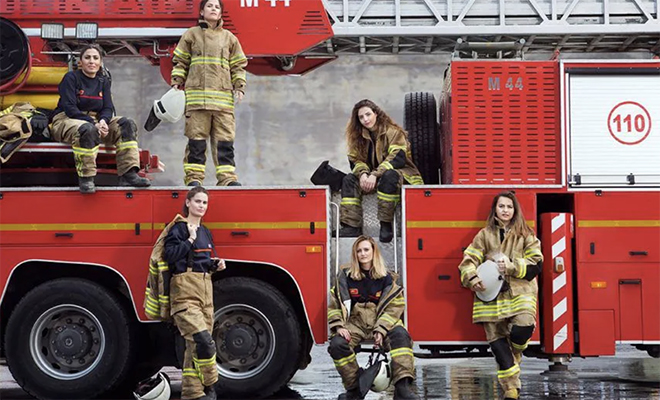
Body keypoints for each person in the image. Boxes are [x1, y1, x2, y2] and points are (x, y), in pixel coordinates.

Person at [458, 191, 544, 400]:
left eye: (509, 207)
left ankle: (517, 352)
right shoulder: (483, 235)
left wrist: (513, 267)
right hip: (489, 298)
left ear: (515, 211)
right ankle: (511, 390)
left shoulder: (526, 235)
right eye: (501, 206)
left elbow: (537, 264)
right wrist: (472, 278)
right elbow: (468, 260)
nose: (505, 210)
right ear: (495, 210)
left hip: (519, 294)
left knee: (523, 328)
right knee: (498, 346)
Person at [328, 236, 420, 400]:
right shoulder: (345, 278)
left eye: (366, 250)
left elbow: (395, 306)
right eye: (359, 251)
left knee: (401, 336)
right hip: (355, 323)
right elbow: (334, 305)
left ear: (373, 252)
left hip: (381, 320)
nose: (362, 254)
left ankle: (402, 388)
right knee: (337, 345)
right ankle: (355, 389)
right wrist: (339, 327)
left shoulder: (387, 278)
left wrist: (381, 328)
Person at [50, 44, 150, 194]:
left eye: (95, 58)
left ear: (100, 62)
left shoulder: (103, 81)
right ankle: (87, 178)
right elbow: (70, 108)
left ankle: (128, 174)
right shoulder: (71, 78)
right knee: (87, 129)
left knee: (126, 124)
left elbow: (108, 107)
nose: (92, 61)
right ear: (80, 62)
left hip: (96, 120)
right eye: (87, 57)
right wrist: (93, 123)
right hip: (67, 119)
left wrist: (103, 121)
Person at [170, 0, 248, 187]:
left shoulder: (230, 38)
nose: (213, 9)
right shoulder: (191, 34)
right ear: (201, 11)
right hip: (197, 100)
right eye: (210, 6)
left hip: (223, 102)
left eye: (217, 7)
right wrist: (176, 82)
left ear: (221, 14)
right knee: (196, 143)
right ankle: (194, 179)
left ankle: (227, 179)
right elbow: (180, 61)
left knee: (225, 143)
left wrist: (240, 85)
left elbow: (238, 65)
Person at [164, 186, 226, 400]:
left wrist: (215, 264)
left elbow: (204, 259)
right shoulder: (179, 228)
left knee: (194, 348)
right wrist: (189, 239)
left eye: (205, 203)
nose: (202, 206)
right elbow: (170, 256)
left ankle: (193, 394)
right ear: (188, 202)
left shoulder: (205, 231)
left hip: (205, 291)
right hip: (184, 292)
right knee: (204, 341)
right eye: (198, 201)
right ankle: (211, 386)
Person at [338, 99, 423, 243]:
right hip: (374, 178)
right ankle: (351, 226)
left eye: (368, 114)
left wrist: (375, 174)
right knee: (349, 180)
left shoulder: (393, 132)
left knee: (389, 176)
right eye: (361, 117)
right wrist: (364, 174)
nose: (365, 119)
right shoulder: (357, 137)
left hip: (402, 177)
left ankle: (385, 224)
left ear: (376, 114)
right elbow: (355, 160)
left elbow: (397, 158)